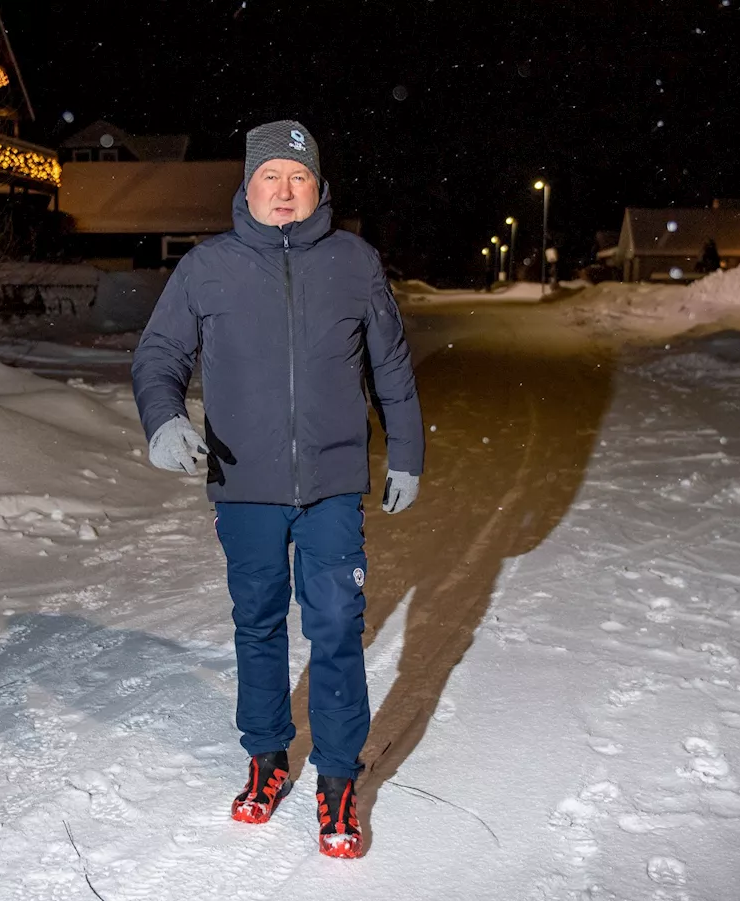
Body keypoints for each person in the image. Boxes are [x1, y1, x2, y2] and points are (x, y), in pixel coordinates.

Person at [131, 120, 424, 858]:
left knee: (334, 625)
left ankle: (336, 781)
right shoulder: (207, 267)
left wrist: (407, 454)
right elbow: (159, 353)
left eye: (298, 177)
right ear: (249, 186)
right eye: (271, 177)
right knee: (257, 624)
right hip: (244, 484)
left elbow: (389, 366)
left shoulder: (355, 262)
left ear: (318, 188)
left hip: (331, 484)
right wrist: (163, 420)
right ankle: (266, 761)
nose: (284, 191)